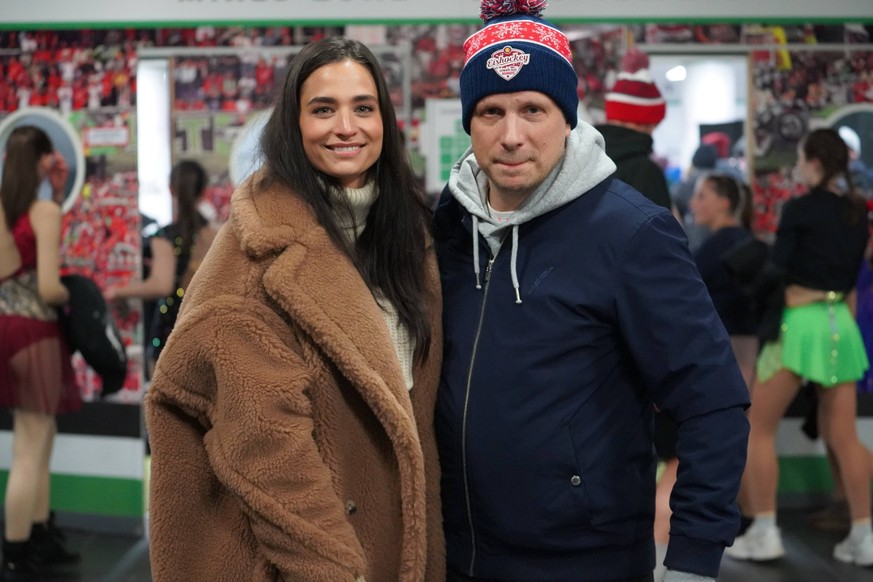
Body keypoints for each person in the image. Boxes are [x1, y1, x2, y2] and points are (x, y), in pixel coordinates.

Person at [434, 2, 750, 581]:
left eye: (533, 109)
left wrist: (692, 560)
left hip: (584, 561)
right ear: (469, 123)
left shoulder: (631, 232)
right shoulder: (448, 227)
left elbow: (712, 401)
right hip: (456, 555)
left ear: (568, 117)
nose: (511, 135)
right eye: (490, 111)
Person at [144, 37, 444, 582]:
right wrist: (335, 568)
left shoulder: (410, 238)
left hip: (403, 544)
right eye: (323, 109)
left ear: (385, 119)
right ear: (292, 123)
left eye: (363, 107)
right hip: (305, 560)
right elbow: (265, 449)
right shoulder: (254, 252)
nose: (346, 127)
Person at [726, 128, 873, 566]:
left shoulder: (799, 209)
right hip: (840, 325)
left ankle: (765, 529)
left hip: (799, 325)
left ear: (813, 161)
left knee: (757, 429)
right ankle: (865, 534)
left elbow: (778, 268)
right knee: (844, 435)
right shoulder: (856, 212)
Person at [0, 126, 81, 580]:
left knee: (35, 437)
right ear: (43, 161)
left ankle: (35, 536)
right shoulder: (44, 211)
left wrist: (56, 190)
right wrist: (76, 296)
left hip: (4, 329)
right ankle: (17, 550)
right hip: (36, 333)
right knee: (32, 448)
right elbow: (49, 287)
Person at [104, 160, 218, 378]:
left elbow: (161, 284)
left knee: (165, 406)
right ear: (204, 192)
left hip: (171, 330)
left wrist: (119, 291)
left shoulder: (164, 237)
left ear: (171, 190)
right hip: (208, 328)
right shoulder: (216, 236)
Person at [596, 47, 673, 211]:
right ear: (642, 123)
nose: (653, 132)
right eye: (653, 125)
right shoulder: (646, 172)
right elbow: (661, 233)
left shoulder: (585, 159)